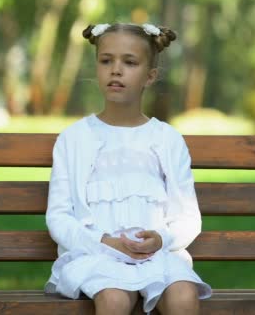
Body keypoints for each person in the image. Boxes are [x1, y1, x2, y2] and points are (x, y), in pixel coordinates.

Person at [43, 22, 212, 315]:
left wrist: (161, 239)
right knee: (114, 298)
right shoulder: (75, 138)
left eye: (129, 62)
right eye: (106, 60)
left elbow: (188, 216)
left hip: (157, 255)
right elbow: (59, 216)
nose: (116, 70)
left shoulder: (166, 139)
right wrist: (103, 242)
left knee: (183, 294)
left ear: (150, 76)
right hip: (97, 255)